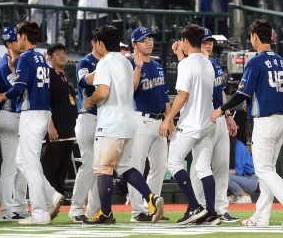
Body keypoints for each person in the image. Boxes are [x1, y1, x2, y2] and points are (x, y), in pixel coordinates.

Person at [210, 19, 283, 228]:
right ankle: (261, 217)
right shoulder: (281, 61)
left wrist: (221, 109)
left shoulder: (255, 61)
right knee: (267, 171)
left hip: (266, 122)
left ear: (254, 37)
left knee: (263, 170)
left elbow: (241, 93)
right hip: (281, 120)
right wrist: (253, 103)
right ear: (270, 36)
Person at [82, 25, 165, 225]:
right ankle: (151, 199)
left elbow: (102, 92)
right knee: (125, 166)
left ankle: (106, 213)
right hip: (129, 122)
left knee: (103, 168)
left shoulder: (104, 62)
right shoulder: (125, 62)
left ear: (101, 43)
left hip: (110, 123)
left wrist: (90, 101)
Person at [0, 20, 63, 225]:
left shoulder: (25, 58)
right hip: (41, 112)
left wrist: (1, 96)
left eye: (18, 35)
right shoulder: (41, 57)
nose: (17, 39)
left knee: (30, 164)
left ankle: (40, 213)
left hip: (32, 113)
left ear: (23, 37)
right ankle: (51, 195)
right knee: (22, 160)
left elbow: (18, 90)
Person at [156, 25, 218, 225]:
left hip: (190, 123)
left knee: (173, 162)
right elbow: (194, 72)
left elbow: (183, 95)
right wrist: (180, 57)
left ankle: (194, 207)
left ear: (184, 40)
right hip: (208, 123)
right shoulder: (208, 62)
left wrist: (168, 118)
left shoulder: (186, 65)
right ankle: (211, 212)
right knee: (203, 167)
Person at [190, 28, 239, 223]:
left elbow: (221, 92)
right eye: (204, 41)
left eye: (210, 41)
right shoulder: (191, 65)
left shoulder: (215, 64)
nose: (208, 44)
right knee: (198, 167)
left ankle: (220, 209)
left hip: (219, 118)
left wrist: (228, 115)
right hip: (202, 119)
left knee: (221, 166)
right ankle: (200, 206)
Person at [127, 27, 170, 222]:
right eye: (144, 40)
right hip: (141, 120)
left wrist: (169, 120)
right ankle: (137, 211)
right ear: (134, 44)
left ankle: (151, 207)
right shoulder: (130, 65)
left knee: (160, 166)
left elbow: (165, 96)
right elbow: (131, 89)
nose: (149, 42)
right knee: (136, 166)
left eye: (150, 39)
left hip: (160, 121)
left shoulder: (158, 65)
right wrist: (137, 68)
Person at [0, 25, 29, 221]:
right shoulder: (5, 64)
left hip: (15, 117)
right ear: (8, 43)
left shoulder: (17, 62)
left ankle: (19, 207)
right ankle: (7, 210)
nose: (20, 42)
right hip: (5, 116)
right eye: (16, 39)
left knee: (22, 165)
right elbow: (18, 89)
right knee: (11, 166)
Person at [68, 31, 101, 223]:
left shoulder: (108, 62)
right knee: (90, 164)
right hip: (87, 117)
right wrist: (104, 69)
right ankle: (75, 207)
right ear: (93, 43)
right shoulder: (85, 62)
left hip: (103, 119)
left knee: (99, 168)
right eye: (101, 42)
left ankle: (93, 211)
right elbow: (83, 82)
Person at [41, 43, 78, 193]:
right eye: (57, 54)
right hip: (55, 131)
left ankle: (58, 195)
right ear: (49, 58)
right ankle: (47, 197)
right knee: (50, 165)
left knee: (63, 167)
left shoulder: (66, 76)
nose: (62, 56)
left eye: (63, 52)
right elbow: (45, 102)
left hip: (68, 131)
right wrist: (50, 126)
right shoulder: (49, 75)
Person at [227, 136, 256, 204]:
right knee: (222, 175)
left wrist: (221, 172)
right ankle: (236, 195)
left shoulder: (238, 146)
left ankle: (244, 196)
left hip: (250, 180)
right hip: (242, 179)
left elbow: (238, 171)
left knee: (225, 176)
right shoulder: (229, 147)